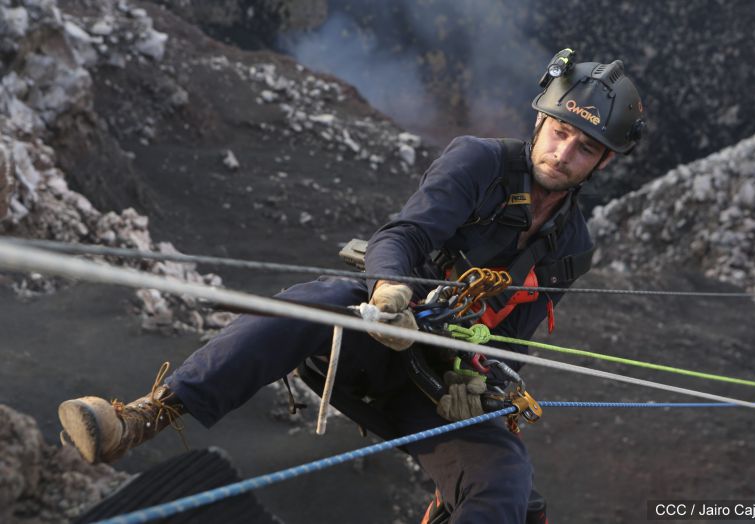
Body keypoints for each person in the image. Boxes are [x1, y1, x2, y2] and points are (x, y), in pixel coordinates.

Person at [58, 50, 645, 523]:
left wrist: (477, 378)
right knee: (317, 303)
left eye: (585, 147)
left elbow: (511, 342)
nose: (564, 152)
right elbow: (405, 234)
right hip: (372, 335)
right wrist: (390, 291)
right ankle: (142, 418)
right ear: (542, 120)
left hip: (436, 387)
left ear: (602, 163)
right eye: (560, 131)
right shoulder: (480, 164)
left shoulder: (572, 248)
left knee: (507, 479)